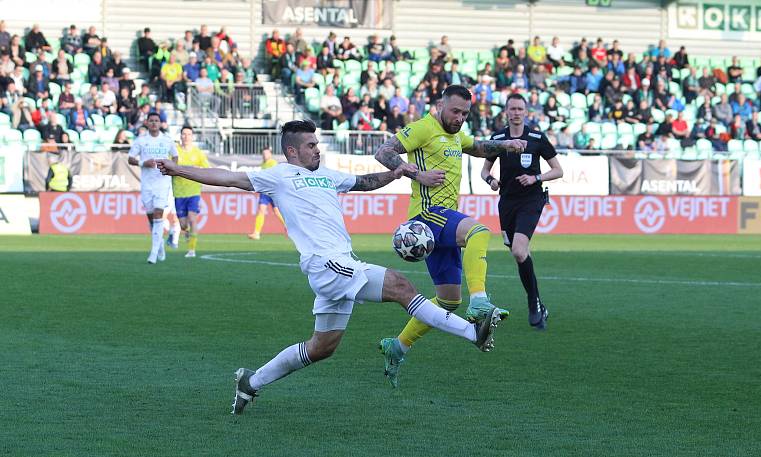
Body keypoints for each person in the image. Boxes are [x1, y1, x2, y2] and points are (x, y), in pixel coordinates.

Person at [153, 120, 504, 414]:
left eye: (317, 144)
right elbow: (225, 177)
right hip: (326, 264)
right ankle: (474, 333)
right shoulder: (278, 176)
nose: (317, 149)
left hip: (339, 265)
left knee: (322, 348)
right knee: (401, 286)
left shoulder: (326, 176)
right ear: (292, 151)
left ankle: (251, 381)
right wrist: (178, 168)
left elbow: (364, 182)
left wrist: (397, 172)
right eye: (310, 145)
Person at [373, 84, 527, 387]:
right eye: (455, 111)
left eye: (465, 113)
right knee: (479, 232)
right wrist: (417, 174)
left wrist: (507, 145)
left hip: (441, 222)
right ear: (441, 105)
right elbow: (383, 151)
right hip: (427, 215)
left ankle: (398, 346)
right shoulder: (423, 128)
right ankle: (481, 301)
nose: (459, 118)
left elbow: (479, 147)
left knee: (447, 301)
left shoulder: (457, 135)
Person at [481, 93, 562, 328]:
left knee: (518, 251)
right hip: (507, 202)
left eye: (520, 109)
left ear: (526, 112)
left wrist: (536, 177)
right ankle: (538, 303)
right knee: (520, 253)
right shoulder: (498, 139)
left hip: (531, 200)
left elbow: (558, 170)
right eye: (512, 109)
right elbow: (485, 171)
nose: (516, 112)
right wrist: (491, 181)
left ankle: (533, 302)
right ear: (506, 112)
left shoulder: (536, 138)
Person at [127, 111, 178, 264]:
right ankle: (160, 245)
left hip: (163, 184)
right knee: (151, 219)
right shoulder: (141, 141)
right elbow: (130, 158)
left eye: (157, 120)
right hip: (147, 185)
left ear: (160, 123)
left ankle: (153, 254)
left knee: (158, 215)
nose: (154, 123)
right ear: (147, 123)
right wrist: (143, 163)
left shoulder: (167, 140)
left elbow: (175, 156)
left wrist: (172, 166)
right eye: (151, 121)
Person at [172, 126, 209, 258]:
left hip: (193, 191)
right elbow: (169, 166)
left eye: (189, 134)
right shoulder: (174, 151)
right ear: (180, 136)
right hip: (179, 192)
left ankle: (192, 250)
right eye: (184, 134)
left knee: (193, 218)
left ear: (192, 137)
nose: (186, 136)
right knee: (183, 225)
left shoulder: (198, 153)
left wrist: (195, 168)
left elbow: (206, 169)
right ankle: (186, 232)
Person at [248, 146, 285, 240]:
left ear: (270, 154)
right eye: (263, 154)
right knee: (262, 210)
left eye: (266, 153)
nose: (265, 155)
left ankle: (290, 228)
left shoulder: (272, 163)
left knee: (277, 211)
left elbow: (275, 176)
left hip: (272, 190)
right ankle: (256, 233)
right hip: (266, 190)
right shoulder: (263, 164)